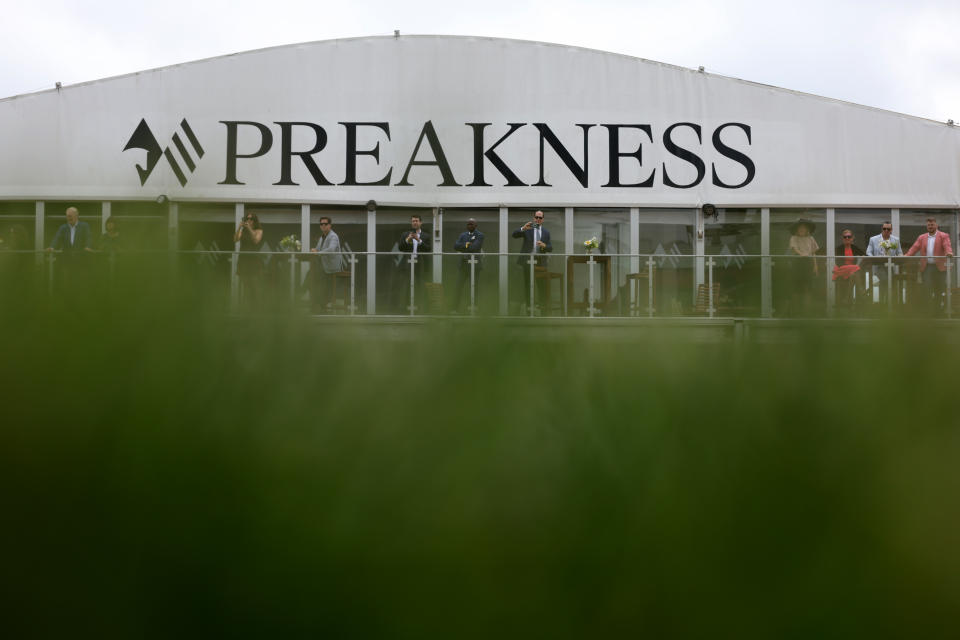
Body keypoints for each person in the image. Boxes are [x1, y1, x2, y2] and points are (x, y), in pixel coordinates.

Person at [904, 217, 953, 316]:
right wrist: (906, 255)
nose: (930, 226)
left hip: (940, 267)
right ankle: (928, 311)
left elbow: (946, 245)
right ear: (927, 226)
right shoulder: (922, 237)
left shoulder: (943, 235)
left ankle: (938, 311)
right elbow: (914, 247)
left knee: (939, 289)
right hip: (927, 267)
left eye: (932, 224)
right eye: (929, 225)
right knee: (927, 288)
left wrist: (949, 253)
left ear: (936, 225)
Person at [46, 206, 94, 299]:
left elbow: (88, 237)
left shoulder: (84, 226)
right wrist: (52, 247)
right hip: (67, 261)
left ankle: (81, 301)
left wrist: (88, 246)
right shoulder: (63, 227)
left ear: (77, 216)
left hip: (81, 261)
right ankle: (67, 301)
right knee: (66, 284)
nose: (69, 218)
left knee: (80, 284)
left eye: (71, 215)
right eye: (67, 216)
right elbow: (57, 238)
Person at [512, 210, 552, 311]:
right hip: (528, 260)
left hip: (540, 261)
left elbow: (550, 248)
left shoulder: (546, 232)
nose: (538, 219)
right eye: (536, 217)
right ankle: (529, 306)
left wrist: (545, 246)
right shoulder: (528, 229)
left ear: (543, 219)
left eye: (540, 218)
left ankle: (541, 306)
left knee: (541, 284)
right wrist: (523, 228)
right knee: (528, 283)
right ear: (533, 218)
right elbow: (514, 235)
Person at [310, 216, 345, 313]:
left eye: (325, 224)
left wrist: (318, 252)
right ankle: (316, 304)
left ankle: (321, 306)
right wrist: (314, 250)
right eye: (321, 224)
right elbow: (318, 249)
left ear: (330, 225)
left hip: (331, 266)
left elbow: (331, 249)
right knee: (311, 276)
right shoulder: (322, 237)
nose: (323, 226)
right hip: (323, 265)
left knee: (319, 279)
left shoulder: (333, 236)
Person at [397, 214, 431, 313]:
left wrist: (419, 240)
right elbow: (400, 248)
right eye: (413, 221)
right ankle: (404, 308)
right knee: (406, 285)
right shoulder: (405, 234)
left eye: (416, 221)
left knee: (421, 286)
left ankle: (422, 308)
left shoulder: (426, 236)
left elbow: (428, 249)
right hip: (407, 263)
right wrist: (408, 239)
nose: (415, 223)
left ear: (421, 222)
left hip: (420, 263)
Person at [452, 218, 484, 313]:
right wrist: (466, 245)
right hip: (464, 265)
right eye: (468, 224)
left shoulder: (480, 235)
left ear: (476, 225)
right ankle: (454, 308)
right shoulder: (463, 235)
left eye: (471, 224)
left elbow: (475, 247)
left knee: (473, 287)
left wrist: (464, 247)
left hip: (475, 266)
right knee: (458, 287)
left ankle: (473, 308)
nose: (469, 226)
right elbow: (455, 246)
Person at [865, 222, 903, 305]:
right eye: (884, 229)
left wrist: (897, 258)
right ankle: (884, 303)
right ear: (881, 229)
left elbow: (900, 253)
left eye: (888, 229)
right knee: (885, 281)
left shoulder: (896, 240)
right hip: (878, 266)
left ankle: (888, 304)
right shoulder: (873, 239)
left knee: (889, 284)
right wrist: (874, 259)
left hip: (891, 267)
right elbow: (868, 252)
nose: (886, 230)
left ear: (891, 230)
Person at [787, 219, 818, 316]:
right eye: (800, 228)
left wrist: (815, 266)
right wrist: (802, 254)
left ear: (807, 229)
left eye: (804, 228)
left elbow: (813, 253)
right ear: (797, 229)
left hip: (808, 263)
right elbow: (794, 248)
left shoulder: (811, 239)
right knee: (796, 288)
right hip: (797, 263)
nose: (802, 229)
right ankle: (795, 311)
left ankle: (807, 312)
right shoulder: (793, 238)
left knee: (807, 288)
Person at [233, 212, 264, 307]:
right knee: (245, 285)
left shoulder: (259, 230)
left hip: (253, 260)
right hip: (243, 259)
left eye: (251, 219)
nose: (249, 221)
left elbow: (255, 240)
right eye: (247, 218)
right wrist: (239, 227)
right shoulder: (243, 231)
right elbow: (235, 239)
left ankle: (258, 307)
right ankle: (245, 308)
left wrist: (249, 228)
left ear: (254, 221)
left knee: (255, 284)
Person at [832, 229, 865, 314]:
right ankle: (861, 292)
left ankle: (846, 298)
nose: (847, 238)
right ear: (842, 238)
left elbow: (864, 255)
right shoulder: (839, 248)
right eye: (845, 237)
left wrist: (861, 263)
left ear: (852, 238)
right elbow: (838, 262)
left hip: (851, 272)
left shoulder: (854, 248)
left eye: (849, 237)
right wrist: (854, 267)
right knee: (856, 269)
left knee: (854, 274)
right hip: (842, 269)